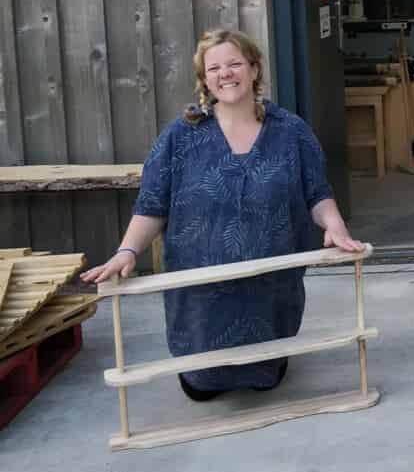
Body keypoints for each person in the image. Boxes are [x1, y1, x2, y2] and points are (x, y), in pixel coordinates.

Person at [80, 29, 365, 399]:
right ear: (204, 79)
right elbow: (152, 205)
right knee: (201, 386)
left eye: (234, 63)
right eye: (214, 68)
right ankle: (202, 371)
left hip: (269, 291)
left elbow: (317, 193)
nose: (225, 73)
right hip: (201, 298)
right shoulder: (180, 138)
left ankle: (267, 360)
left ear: (254, 68)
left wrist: (335, 226)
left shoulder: (291, 132)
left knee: (265, 378)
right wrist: (127, 251)